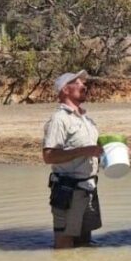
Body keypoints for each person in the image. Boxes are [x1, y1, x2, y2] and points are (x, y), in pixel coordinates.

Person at [42, 70, 104, 249]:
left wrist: (117, 150)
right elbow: (49, 156)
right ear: (65, 90)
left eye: (84, 83)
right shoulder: (59, 119)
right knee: (64, 243)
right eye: (77, 83)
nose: (84, 86)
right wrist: (84, 150)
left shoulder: (87, 120)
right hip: (68, 190)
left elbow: (94, 149)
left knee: (85, 241)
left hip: (89, 187)